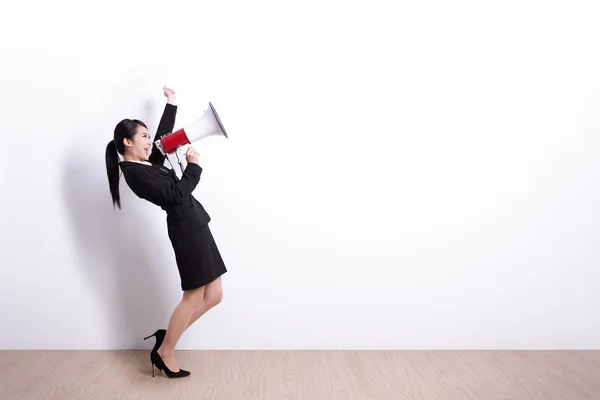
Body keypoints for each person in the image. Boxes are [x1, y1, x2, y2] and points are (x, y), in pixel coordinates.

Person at [104, 86, 227, 379]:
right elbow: (177, 195)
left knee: (215, 296)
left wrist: (171, 105)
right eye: (143, 137)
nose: (150, 142)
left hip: (196, 224)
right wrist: (193, 168)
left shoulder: (146, 164)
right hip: (186, 231)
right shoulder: (134, 174)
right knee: (195, 295)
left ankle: (167, 337)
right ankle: (166, 350)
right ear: (127, 142)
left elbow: (161, 141)